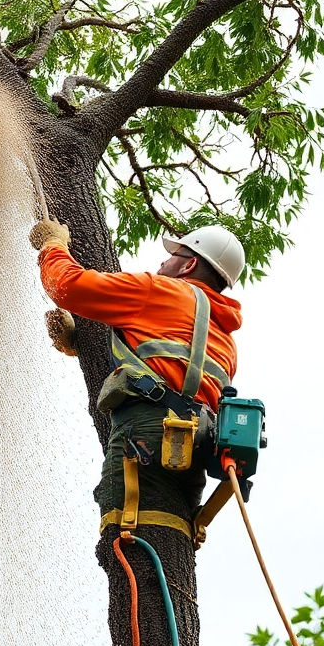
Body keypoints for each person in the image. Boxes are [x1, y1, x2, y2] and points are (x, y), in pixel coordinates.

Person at [28, 219, 244, 530]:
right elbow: (162, 369)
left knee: (125, 532)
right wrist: (80, 345)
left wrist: (53, 245)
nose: (162, 263)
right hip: (192, 452)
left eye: (173, 256)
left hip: (148, 433)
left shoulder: (160, 291)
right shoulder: (225, 340)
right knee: (170, 529)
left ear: (189, 265)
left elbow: (67, 286)